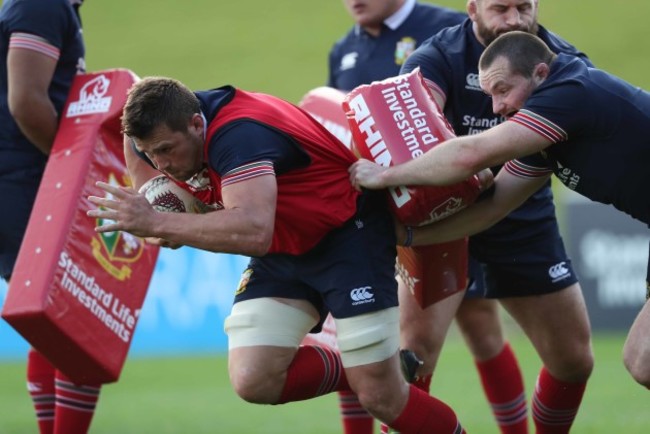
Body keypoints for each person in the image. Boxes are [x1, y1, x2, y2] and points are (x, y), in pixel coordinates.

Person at [88, 76, 469, 434]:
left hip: (347, 237)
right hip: (286, 245)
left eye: (167, 151)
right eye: (152, 153)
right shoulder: (157, 127)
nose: (162, 164)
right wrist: (157, 194)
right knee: (254, 378)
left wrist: (157, 222)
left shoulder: (239, 135)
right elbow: (136, 142)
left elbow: (253, 231)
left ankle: (374, 373)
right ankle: (365, 366)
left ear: (195, 124)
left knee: (381, 398)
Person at [350, 29, 650, 388]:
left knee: (642, 359)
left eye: (504, 90)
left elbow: (470, 155)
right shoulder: (545, 139)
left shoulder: (570, 92)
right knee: (643, 361)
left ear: (540, 74)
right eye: (490, 95)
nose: (497, 108)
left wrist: (387, 174)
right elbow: (491, 209)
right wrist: (409, 235)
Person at [371, 1, 596, 433]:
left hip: (522, 216)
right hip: (440, 221)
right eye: (500, 8)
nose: (514, 19)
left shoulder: (563, 63)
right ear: (472, 8)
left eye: (523, 6)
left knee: (573, 359)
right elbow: (409, 132)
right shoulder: (434, 59)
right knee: (411, 358)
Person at [327, 1, 481, 433]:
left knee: (473, 330)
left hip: (443, 207)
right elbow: (336, 126)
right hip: (368, 214)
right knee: (355, 331)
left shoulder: (446, 28)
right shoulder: (343, 50)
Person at [0, 1, 102, 433]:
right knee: (85, 329)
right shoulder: (42, 3)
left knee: (55, 328)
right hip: (25, 181)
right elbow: (25, 100)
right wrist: (70, 166)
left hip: (19, 181)